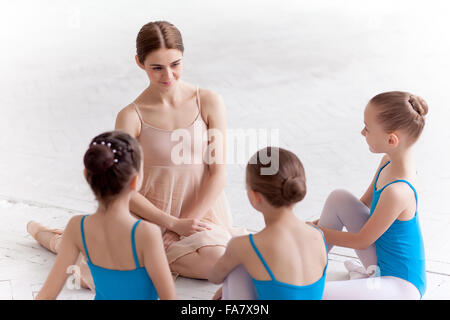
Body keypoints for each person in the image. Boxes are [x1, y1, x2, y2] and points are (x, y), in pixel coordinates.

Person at [114, 20, 245, 280]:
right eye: (157, 68)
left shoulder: (208, 101)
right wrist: (170, 224)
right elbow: (123, 189)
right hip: (151, 215)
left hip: (201, 211)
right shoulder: (131, 116)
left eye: (175, 64)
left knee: (219, 263)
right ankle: (52, 236)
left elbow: (218, 174)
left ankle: (150, 257)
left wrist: (183, 227)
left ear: (183, 56)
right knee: (215, 265)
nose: (168, 76)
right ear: (140, 63)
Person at [310, 91, 428, 300]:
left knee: (312, 295)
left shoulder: (398, 191)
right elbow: (363, 203)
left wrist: (317, 231)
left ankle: (305, 271)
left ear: (391, 140)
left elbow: (361, 240)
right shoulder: (388, 161)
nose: (362, 133)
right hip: (381, 257)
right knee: (339, 197)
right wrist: (321, 225)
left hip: (400, 284)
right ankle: (308, 265)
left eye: (367, 128)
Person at [34, 131, 176, 300]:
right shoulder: (146, 233)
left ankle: (34, 229)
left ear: (87, 175)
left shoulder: (77, 227)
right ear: (135, 181)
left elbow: (46, 295)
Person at [208, 147, 328, 300]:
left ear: (255, 196)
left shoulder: (245, 246)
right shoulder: (318, 235)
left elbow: (214, 277)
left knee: (238, 268)